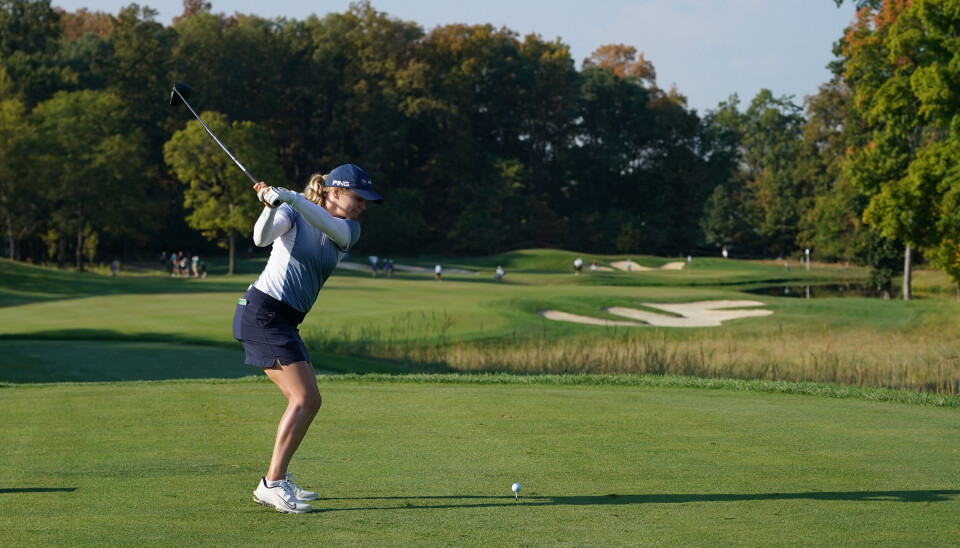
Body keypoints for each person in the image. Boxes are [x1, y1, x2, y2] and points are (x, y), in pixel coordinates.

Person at [233, 163, 383, 514]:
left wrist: (289, 197)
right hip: (263, 313)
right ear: (334, 192)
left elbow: (323, 223)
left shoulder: (348, 229)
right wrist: (271, 207)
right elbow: (260, 237)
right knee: (304, 398)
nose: (362, 206)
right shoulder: (293, 210)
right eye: (358, 198)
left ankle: (277, 480)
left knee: (309, 401)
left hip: (284, 320)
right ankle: (271, 483)